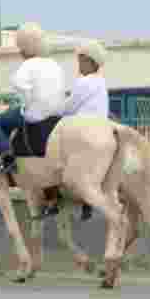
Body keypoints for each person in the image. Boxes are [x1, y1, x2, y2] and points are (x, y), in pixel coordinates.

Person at [41, 41, 110, 219]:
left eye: (81, 60)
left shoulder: (83, 82)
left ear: (90, 61)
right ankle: (87, 201)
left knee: (46, 153)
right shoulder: (100, 82)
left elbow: (68, 108)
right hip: (101, 127)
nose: (78, 64)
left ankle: (52, 200)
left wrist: (47, 111)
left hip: (80, 126)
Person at [0, 22, 66, 174]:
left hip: (35, 114)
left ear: (24, 48)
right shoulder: (54, 64)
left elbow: (21, 89)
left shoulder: (28, 65)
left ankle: (8, 159)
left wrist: (25, 104)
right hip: (58, 114)